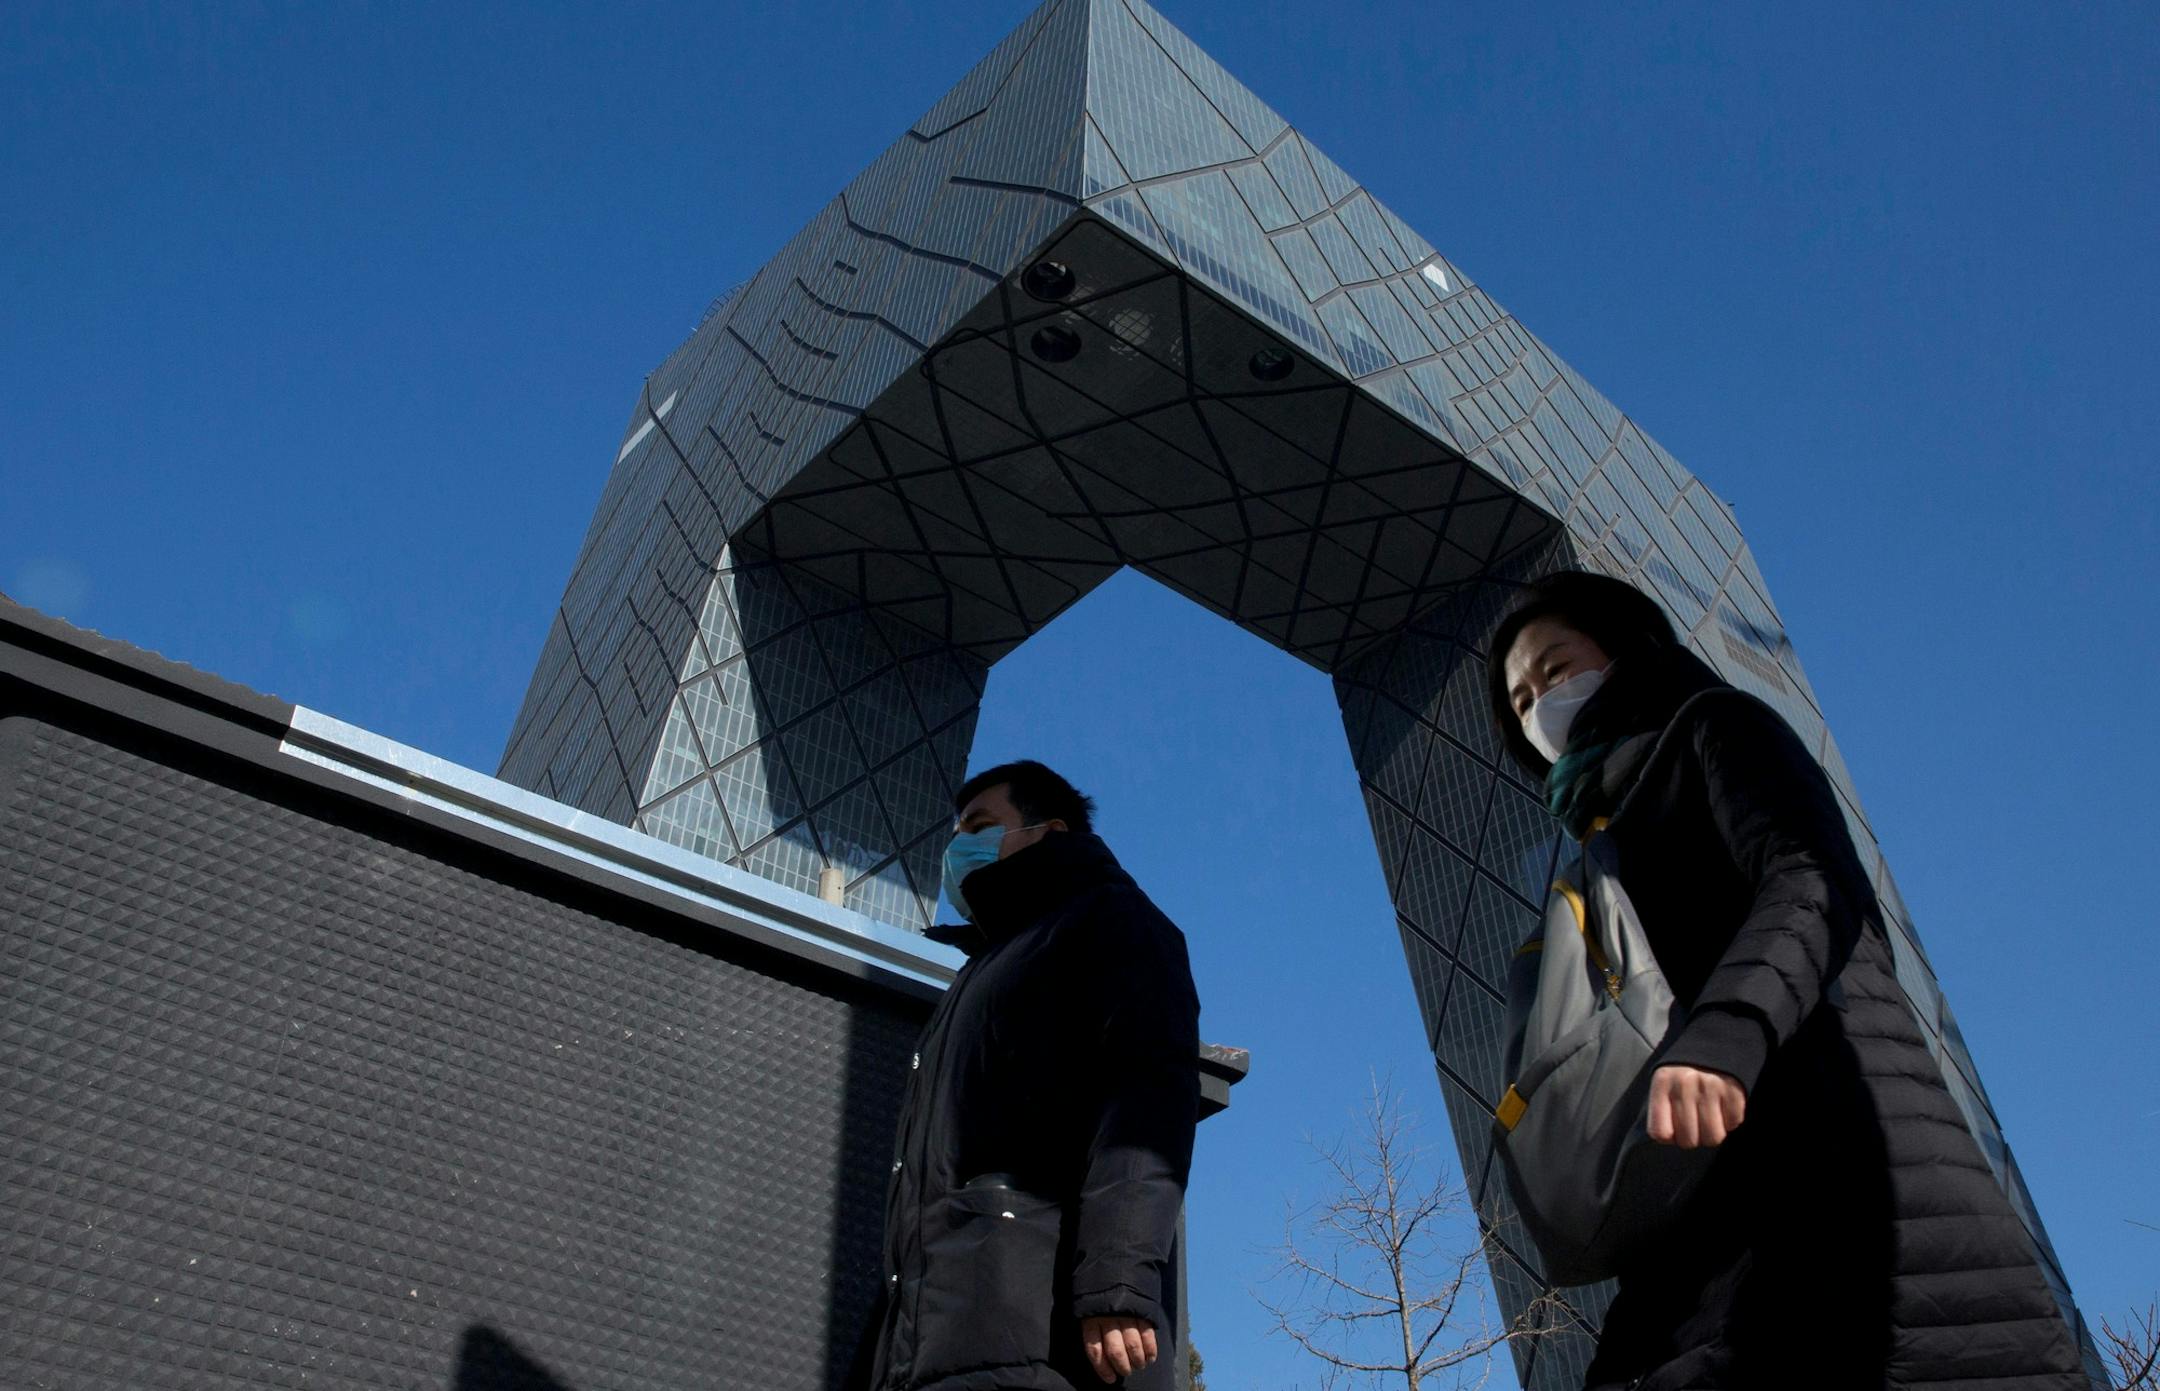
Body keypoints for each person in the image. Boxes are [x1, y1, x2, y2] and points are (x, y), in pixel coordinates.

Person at [1487, 570, 2084, 1390]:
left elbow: (1813, 875)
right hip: (1696, 1202)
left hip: (1824, 1158)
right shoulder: (1593, 849)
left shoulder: (1712, 727)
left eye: (1555, 669)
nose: (1541, 704)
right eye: (1521, 700)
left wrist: (1726, 1034)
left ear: (1620, 648)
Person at [850, 760, 1201, 1391]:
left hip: (1042, 1341)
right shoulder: (979, 973)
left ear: (1049, 831)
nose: (960, 847)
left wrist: (1117, 1283)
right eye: (956, 833)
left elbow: (1145, 1096)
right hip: (941, 1348)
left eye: (982, 825)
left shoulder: (1108, 920)